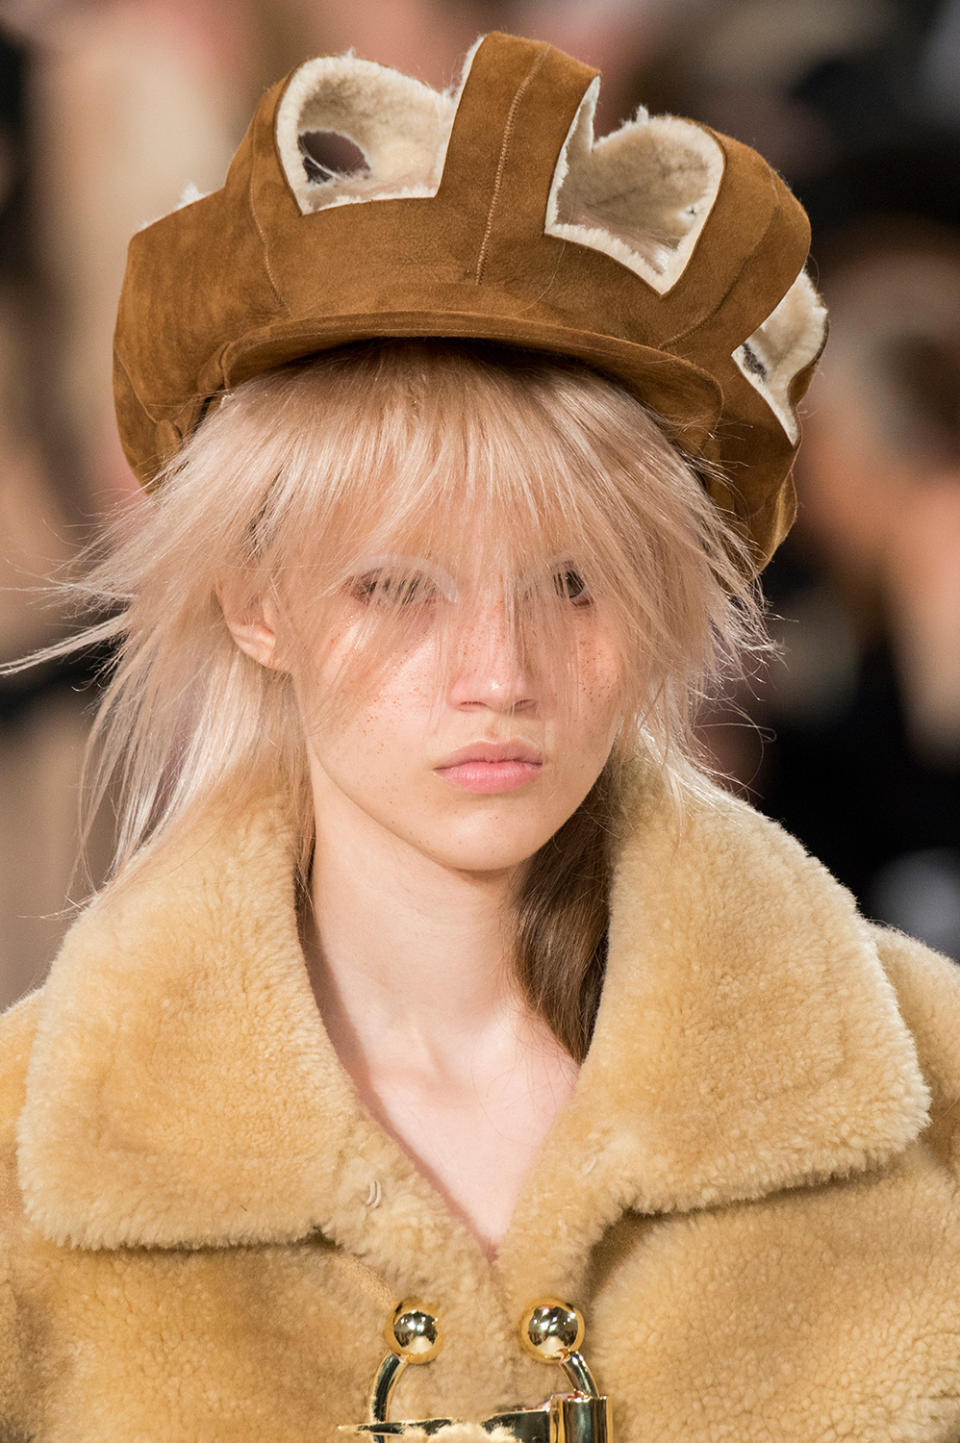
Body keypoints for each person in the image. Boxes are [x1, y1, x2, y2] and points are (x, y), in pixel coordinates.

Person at [2, 31, 960, 1443]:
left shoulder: (929, 1088)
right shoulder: (29, 1162)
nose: (498, 674)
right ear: (256, 604)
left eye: (574, 581)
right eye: (397, 589)